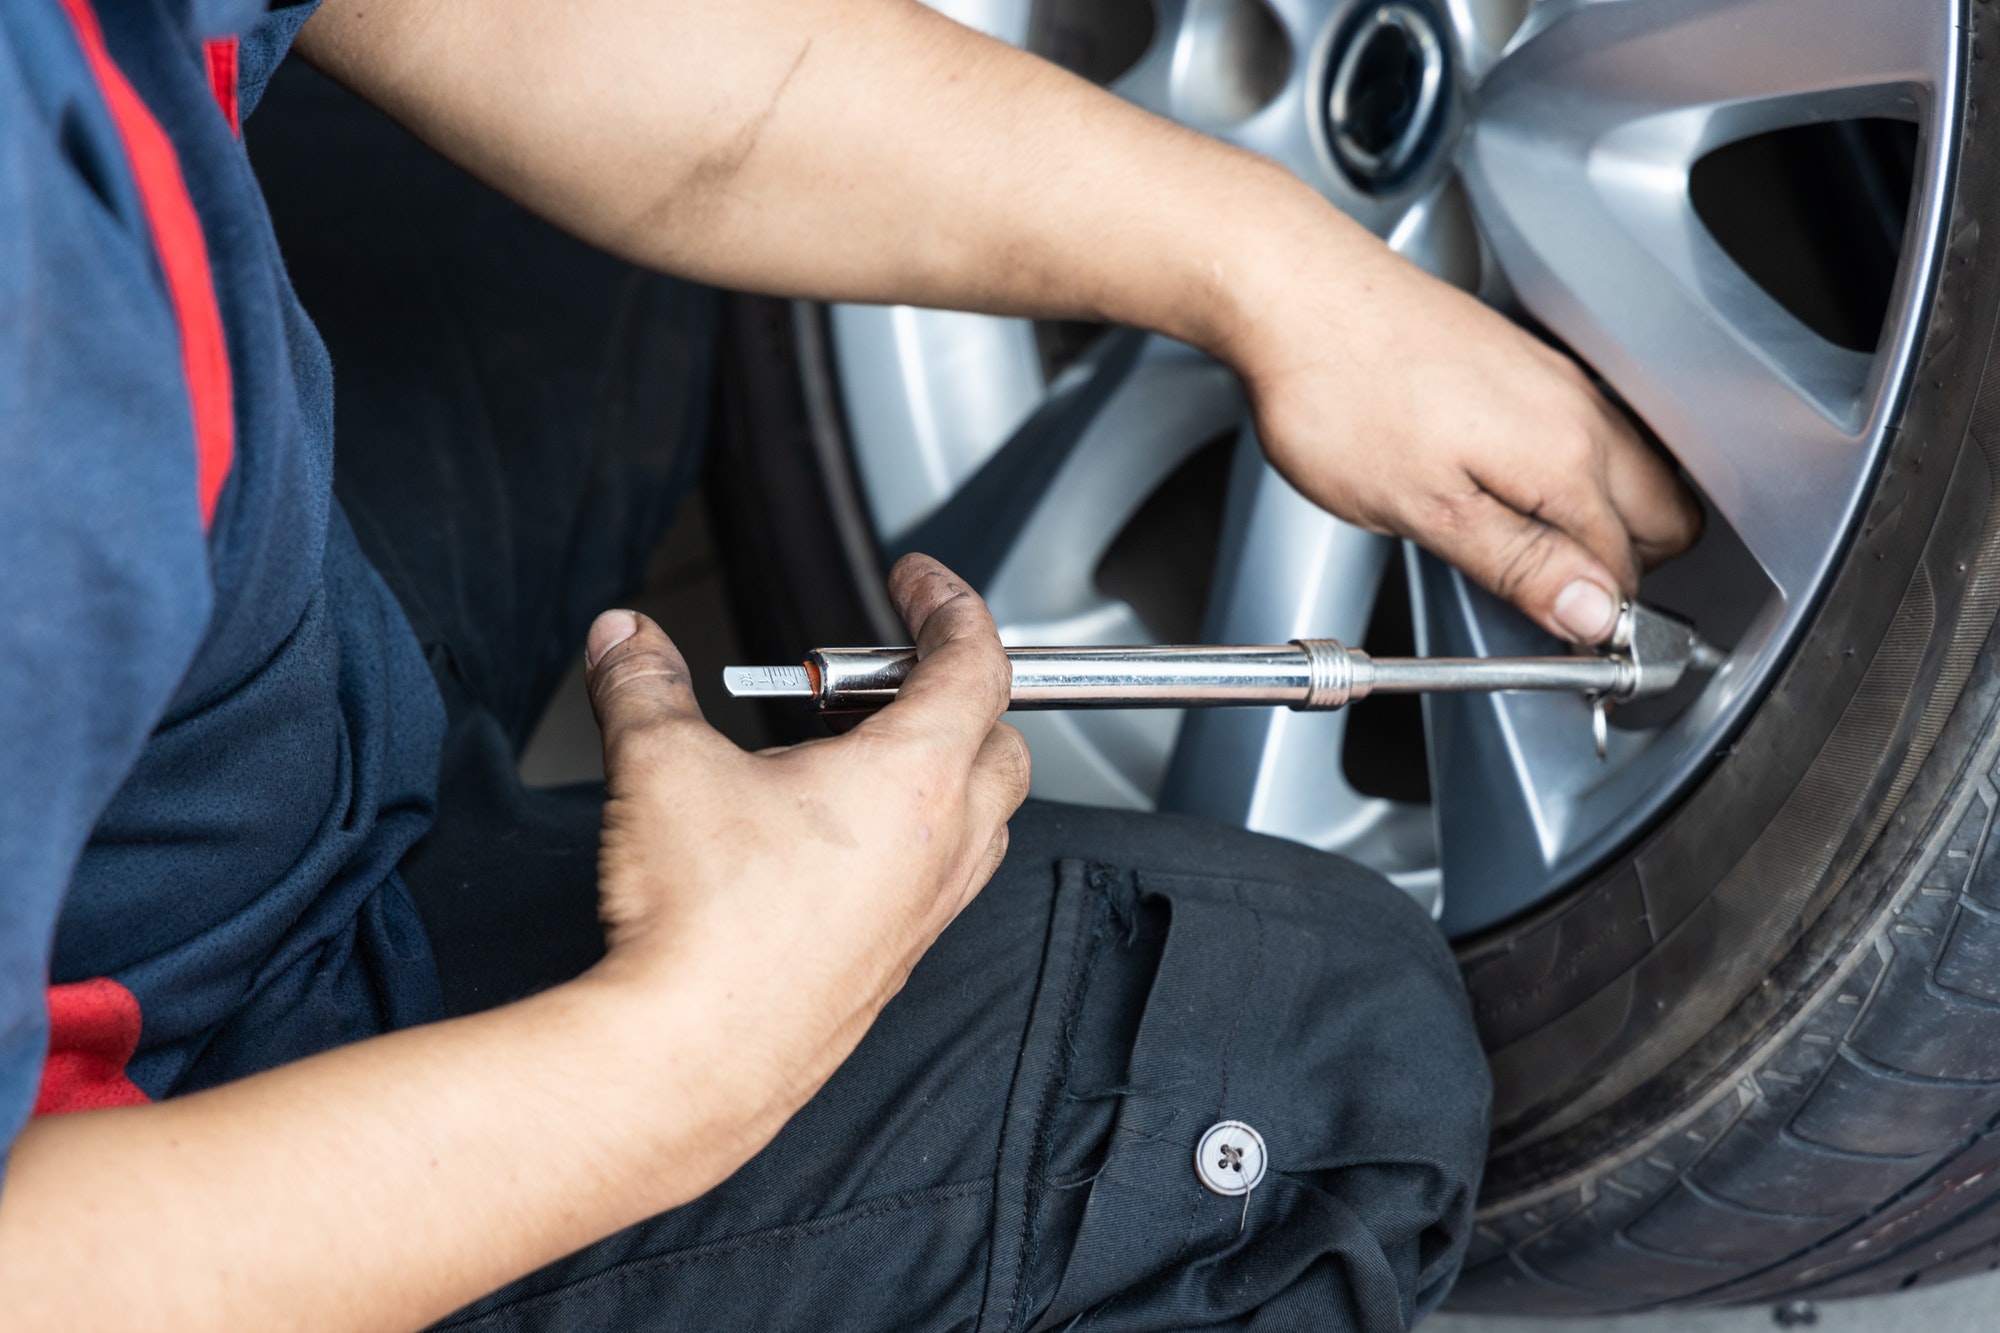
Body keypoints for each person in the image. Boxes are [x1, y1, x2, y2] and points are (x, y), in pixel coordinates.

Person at [0, 1, 1700, 1329]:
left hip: (204, 671)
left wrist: (1272, 269)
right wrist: (685, 1055)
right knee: (1314, 1080)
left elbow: (588, 46)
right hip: (163, 1163)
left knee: (545, 219)